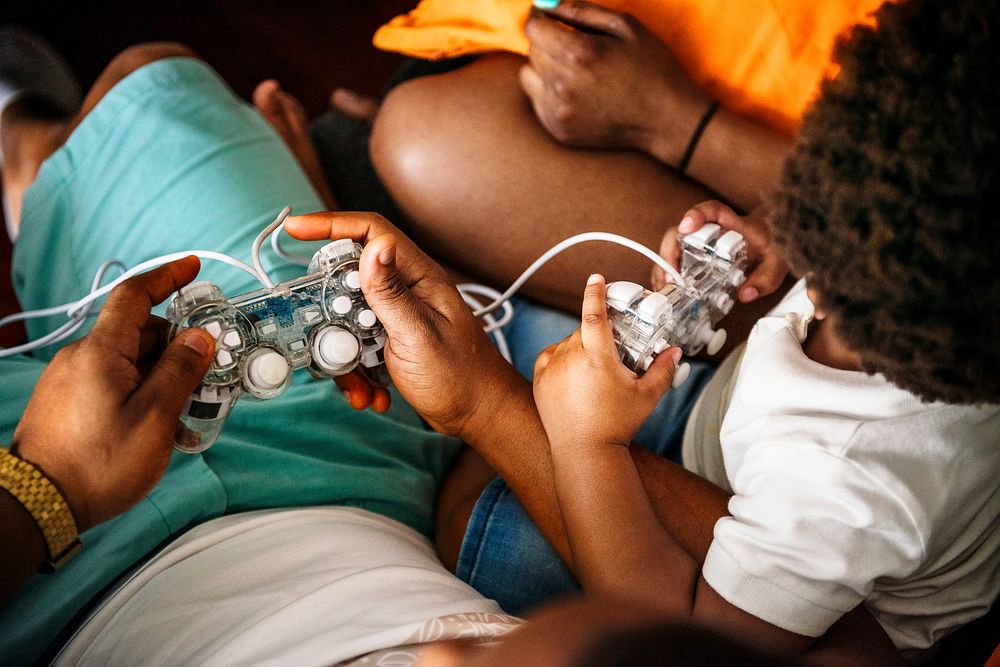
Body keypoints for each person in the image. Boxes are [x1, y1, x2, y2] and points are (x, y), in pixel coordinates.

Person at [1, 30, 901, 666]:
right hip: (361, 482)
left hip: (64, 566)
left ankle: (23, 155)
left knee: (141, 85)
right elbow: (798, 630)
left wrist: (46, 488)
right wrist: (475, 398)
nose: (444, 648)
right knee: (155, 85)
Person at [317, 0, 882, 313]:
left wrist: (672, 121)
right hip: (520, 61)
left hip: (789, 199)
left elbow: (916, 220)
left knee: (399, 156)